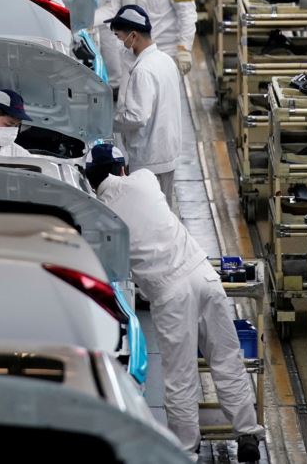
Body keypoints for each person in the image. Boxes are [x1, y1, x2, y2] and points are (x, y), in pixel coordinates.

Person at [83, 144, 263, 461]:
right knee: (226, 356)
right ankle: (247, 433)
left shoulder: (102, 217)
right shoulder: (145, 179)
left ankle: (186, 449)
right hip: (203, 275)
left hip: (170, 293)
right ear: (122, 168)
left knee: (180, 375)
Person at [108, 5, 183, 205]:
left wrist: (106, 121)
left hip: (148, 158)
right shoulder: (165, 60)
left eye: (119, 36)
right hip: (166, 152)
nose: (119, 41)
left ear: (133, 36)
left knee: (149, 216)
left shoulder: (143, 71)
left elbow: (136, 117)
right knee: (162, 213)